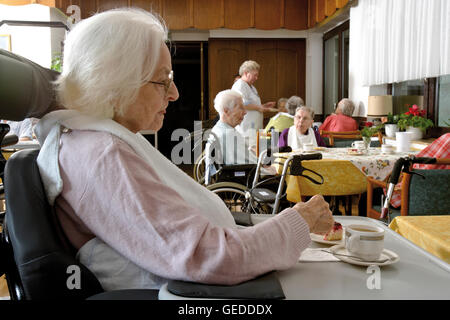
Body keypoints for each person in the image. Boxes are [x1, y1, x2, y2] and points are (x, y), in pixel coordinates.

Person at [34, 8, 333, 291]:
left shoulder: (92, 141)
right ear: (115, 85)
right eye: (162, 82)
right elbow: (211, 258)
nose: (174, 94)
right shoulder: (103, 154)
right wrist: (300, 219)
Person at [231, 60, 276, 146]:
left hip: (254, 128)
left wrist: (264, 105)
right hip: (246, 128)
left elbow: (251, 104)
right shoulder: (240, 85)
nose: (256, 78)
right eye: (255, 75)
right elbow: (242, 103)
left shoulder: (251, 87)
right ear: (246, 73)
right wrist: (259, 108)